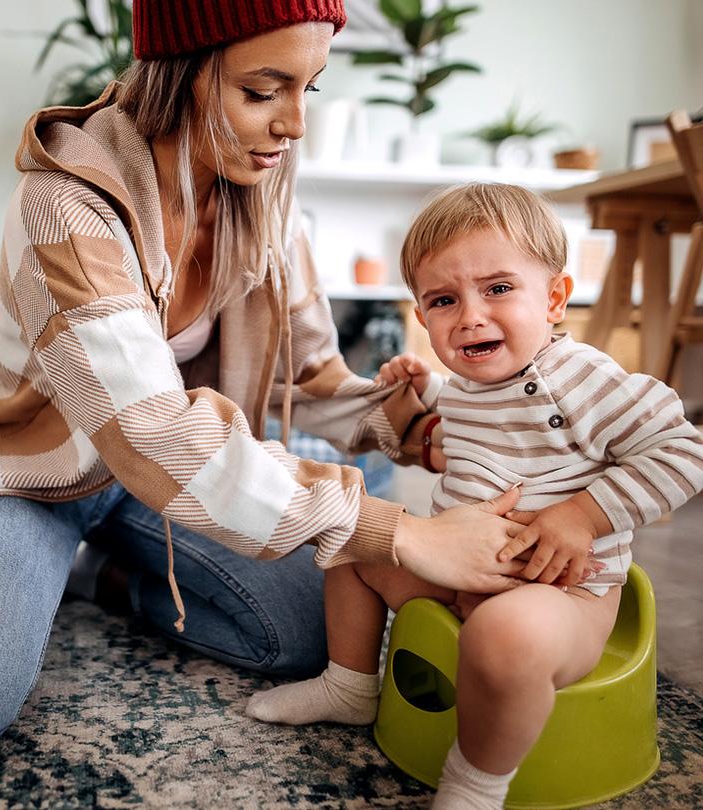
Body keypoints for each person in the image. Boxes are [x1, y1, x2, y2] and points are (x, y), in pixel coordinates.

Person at [0, 4, 536, 746]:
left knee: (310, 634)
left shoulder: (265, 194)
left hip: (177, 472)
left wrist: (419, 426)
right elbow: (149, 431)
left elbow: (307, 377)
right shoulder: (64, 205)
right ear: (177, 76)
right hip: (40, 472)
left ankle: (101, 576)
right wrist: (399, 532)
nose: (294, 126)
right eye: (262, 91)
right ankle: (66, 554)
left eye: (307, 89)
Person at [245, 183, 703, 809]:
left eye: (498, 289)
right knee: (353, 541)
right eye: (442, 300)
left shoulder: (586, 380)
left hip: (558, 594)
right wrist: (417, 385)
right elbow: (465, 416)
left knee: (505, 637)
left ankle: (477, 781)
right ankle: (350, 686)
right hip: (459, 570)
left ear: (555, 299)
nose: (470, 316)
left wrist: (581, 515)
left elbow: (685, 452)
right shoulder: (465, 383)